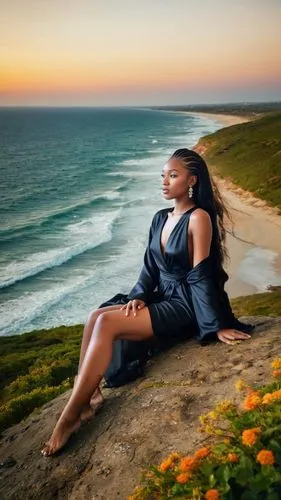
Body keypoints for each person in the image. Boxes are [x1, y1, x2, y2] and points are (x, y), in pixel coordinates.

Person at [41, 148, 254, 457]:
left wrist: (216, 325)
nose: (165, 182)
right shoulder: (160, 218)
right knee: (95, 315)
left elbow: (200, 277)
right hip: (160, 295)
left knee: (107, 322)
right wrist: (139, 296)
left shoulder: (199, 218)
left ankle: (69, 415)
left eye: (173, 175)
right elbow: (150, 269)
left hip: (185, 305)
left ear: (192, 180)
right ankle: (87, 397)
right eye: (163, 175)